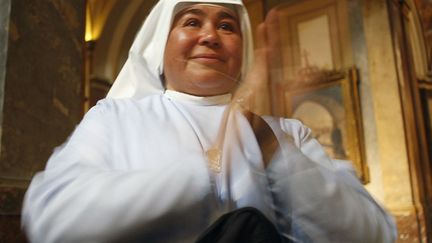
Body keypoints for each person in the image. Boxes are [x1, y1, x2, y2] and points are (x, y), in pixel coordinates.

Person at [22, 0, 397, 242]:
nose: (209, 36)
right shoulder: (116, 118)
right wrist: (200, 172)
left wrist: (270, 148)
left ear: (243, 50)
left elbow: (373, 233)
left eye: (227, 26)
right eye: (191, 21)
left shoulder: (286, 134)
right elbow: (52, 217)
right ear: (161, 44)